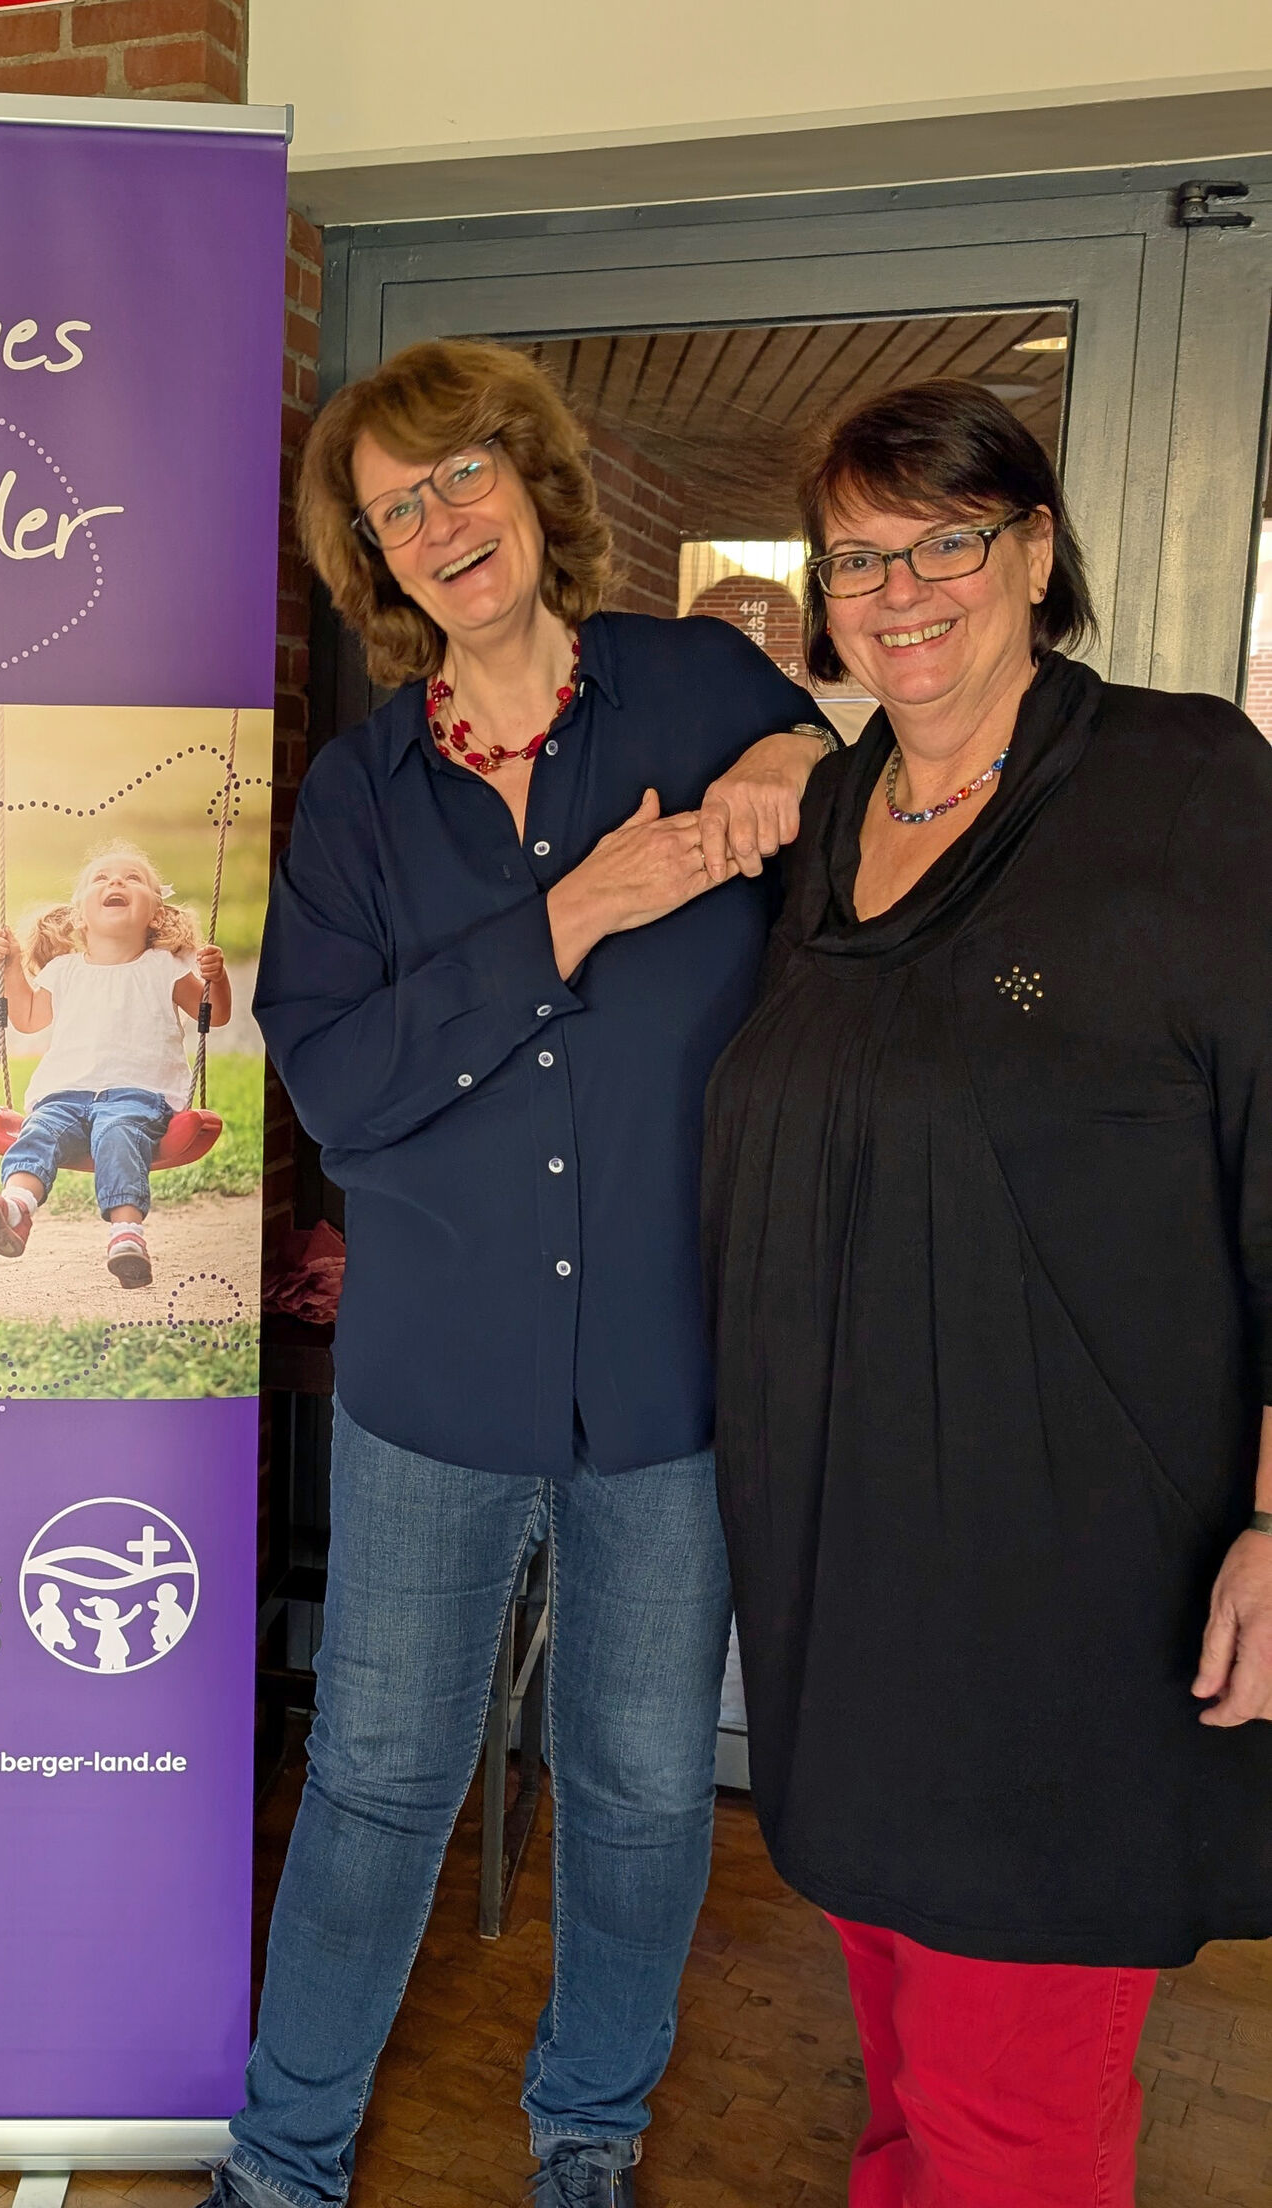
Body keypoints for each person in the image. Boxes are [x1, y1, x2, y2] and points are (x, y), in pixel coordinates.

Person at [233, 337, 835, 2208]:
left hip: (670, 1376)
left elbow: (854, 778)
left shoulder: (694, 684)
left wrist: (799, 756)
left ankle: (588, 2136)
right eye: (393, 510)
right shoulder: (362, 797)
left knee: (644, 1786)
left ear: (529, 479)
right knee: (377, 1780)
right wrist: (572, 915)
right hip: (436, 1380)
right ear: (373, 560)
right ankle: (286, 2155)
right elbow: (338, 1083)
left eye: (461, 475)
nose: (439, 523)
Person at [704, 378, 1272, 2206]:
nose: (901, 591)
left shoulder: (1185, 784)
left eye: (946, 541)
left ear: (1035, 553)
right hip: (849, 1562)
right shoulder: (836, 807)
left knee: (1008, 2106)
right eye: (856, 557)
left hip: (1068, 1582)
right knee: (903, 2055)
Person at [0, 841, 231, 1290]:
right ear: (80, 916)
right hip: (63, 1095)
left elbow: (213, 1015)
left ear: (155, 914)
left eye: (132, 878)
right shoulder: (64, 970)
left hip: (138, 1096)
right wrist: (11, 966)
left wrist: (216, 980)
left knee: (118, 1133)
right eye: (101, 878)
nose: (116, 881)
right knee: (38, 1131)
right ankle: (16, 1208)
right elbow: (26, 1018)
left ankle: (126, 1235)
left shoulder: (165, 967)